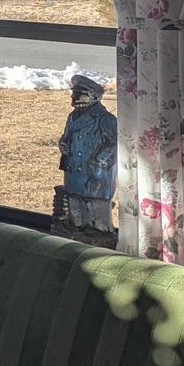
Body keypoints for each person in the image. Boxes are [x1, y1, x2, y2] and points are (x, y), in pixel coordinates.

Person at [54, 73, 118, 247]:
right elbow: (66, 136)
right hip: (74, 167)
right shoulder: (72, 117)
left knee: (96, 202)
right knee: (74, 199)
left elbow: (114, 143)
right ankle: (77, 226)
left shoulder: (105, 119)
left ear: (92, 96)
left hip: (95, 171)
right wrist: (63, 145)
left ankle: (99, 230)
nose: (74, 97)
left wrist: (100, 160)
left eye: (78, 94)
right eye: (73, 93)